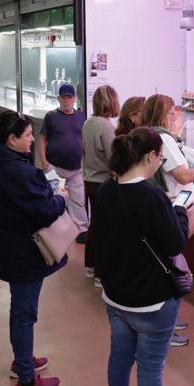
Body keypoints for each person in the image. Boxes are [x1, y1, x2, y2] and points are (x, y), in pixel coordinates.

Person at [93, 128, 190, 386]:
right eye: (161, 157)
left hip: (116, 293)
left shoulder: (107, 190)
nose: (161, 163)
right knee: (150, 365)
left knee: (119, 357)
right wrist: (180, 213)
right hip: (152, 300)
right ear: (149, 157)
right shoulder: (153, 197)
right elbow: (174, 243)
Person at [0, 111, 68, 386]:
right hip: (23, 249)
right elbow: (44, 210)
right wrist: (59, 198)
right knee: (24, 311)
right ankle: (27, 381)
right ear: (12, 139)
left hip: (11, 241)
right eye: (28, 135)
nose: (33, 140)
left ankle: (23, 361)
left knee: (22, 308)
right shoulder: (18, 172)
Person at [140, 94, 194, 347]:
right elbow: (184, 176)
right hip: (171, 209)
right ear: (165, 114)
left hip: (164, 209)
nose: (178, 116)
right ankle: (164, 328)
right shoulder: (163, 138)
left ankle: (167, 322)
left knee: (168, 266)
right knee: (171, 269)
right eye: (174, 112)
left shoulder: (152, 135)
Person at [36, 83, 89, 242]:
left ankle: (81, 232)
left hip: (77, 168)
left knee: (78, 201)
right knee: (52, 199)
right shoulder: (51, 116)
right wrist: (44, 162)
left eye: (69, 97)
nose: (66, 100)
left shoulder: (82, 116)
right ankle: (51, 232)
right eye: (63, 97)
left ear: (74, 99)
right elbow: (42, 139)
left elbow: (85, 139)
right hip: (55, 167)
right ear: (58, 98)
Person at [82, 85, 120, 288]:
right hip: (103, 183)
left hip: (89, 180)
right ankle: (101, 274)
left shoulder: (88, 123)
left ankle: (90, 265)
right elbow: (113, 159)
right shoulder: (106, 127)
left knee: (94, 225)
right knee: (105, 228)